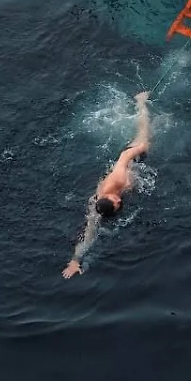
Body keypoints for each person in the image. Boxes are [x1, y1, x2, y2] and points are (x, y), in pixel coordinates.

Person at [62, 92, 152, 278]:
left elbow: (124, 157)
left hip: (131, 157)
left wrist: (142, 147)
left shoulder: (116, 181)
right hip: (133, 172)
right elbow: (89, 233)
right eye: (117, 203)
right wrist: (75, 260)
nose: (118, 200)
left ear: (107, 196)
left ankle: (140, 101)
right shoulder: (98, 206)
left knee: (145, 132)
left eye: (115, 199)